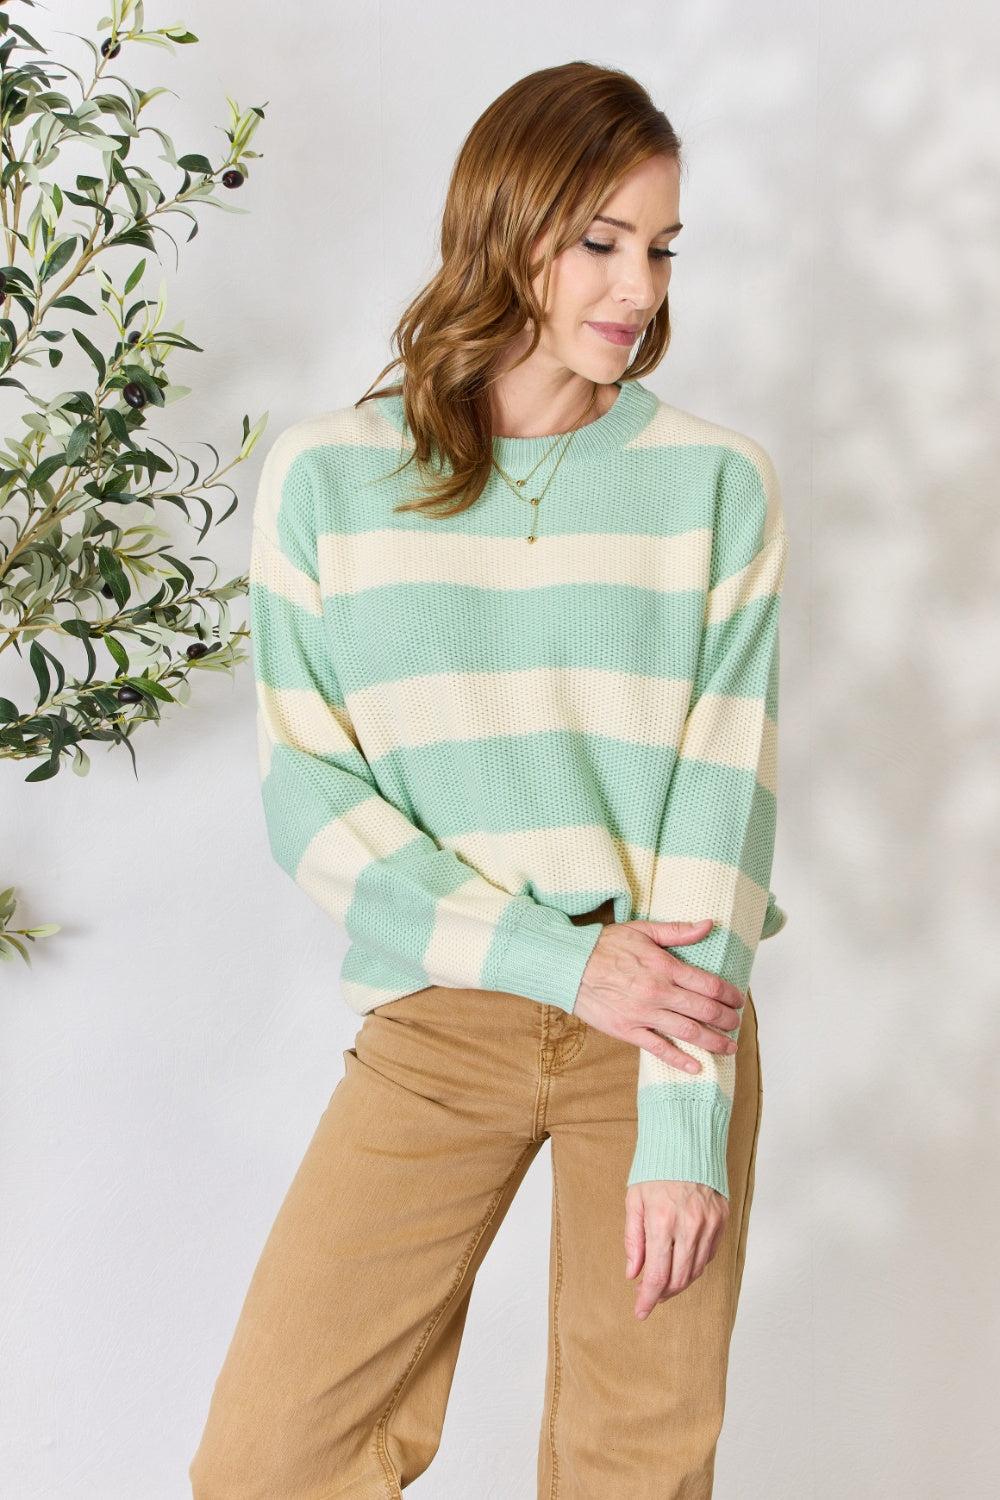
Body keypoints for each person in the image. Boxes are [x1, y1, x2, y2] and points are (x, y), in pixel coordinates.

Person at [189, 59, 788, 1500]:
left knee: (634, 1473)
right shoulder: (328, 481)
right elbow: (310, 801)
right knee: (269, 1460)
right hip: (443, 1013)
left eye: (662, 247)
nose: (638, 287)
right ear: (503, 227)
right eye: (600, 241)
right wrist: (553, 961)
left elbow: (720, 801)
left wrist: (684, 1118)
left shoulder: (717, 484)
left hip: (662, 1028)